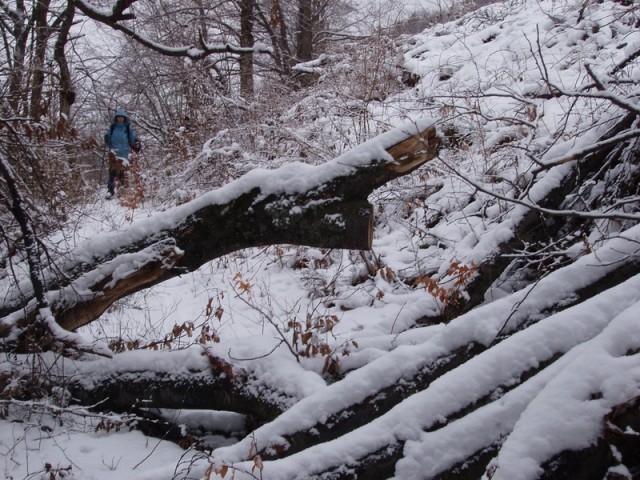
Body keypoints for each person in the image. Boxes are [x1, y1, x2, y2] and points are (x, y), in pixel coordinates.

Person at [104, 108, 139, 198]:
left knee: (123, 173)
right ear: (116, 118)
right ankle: (110, 191)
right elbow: (108, 140)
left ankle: (123, 190)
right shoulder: (112, 128)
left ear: (124, 118)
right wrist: (107, 138)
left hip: (124, 154)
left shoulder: (127, 129)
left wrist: (136, 142)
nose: (120, 119)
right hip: (114, 154)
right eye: (119, 117)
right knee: (112, 172)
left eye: (122, 117)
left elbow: (132, 140)